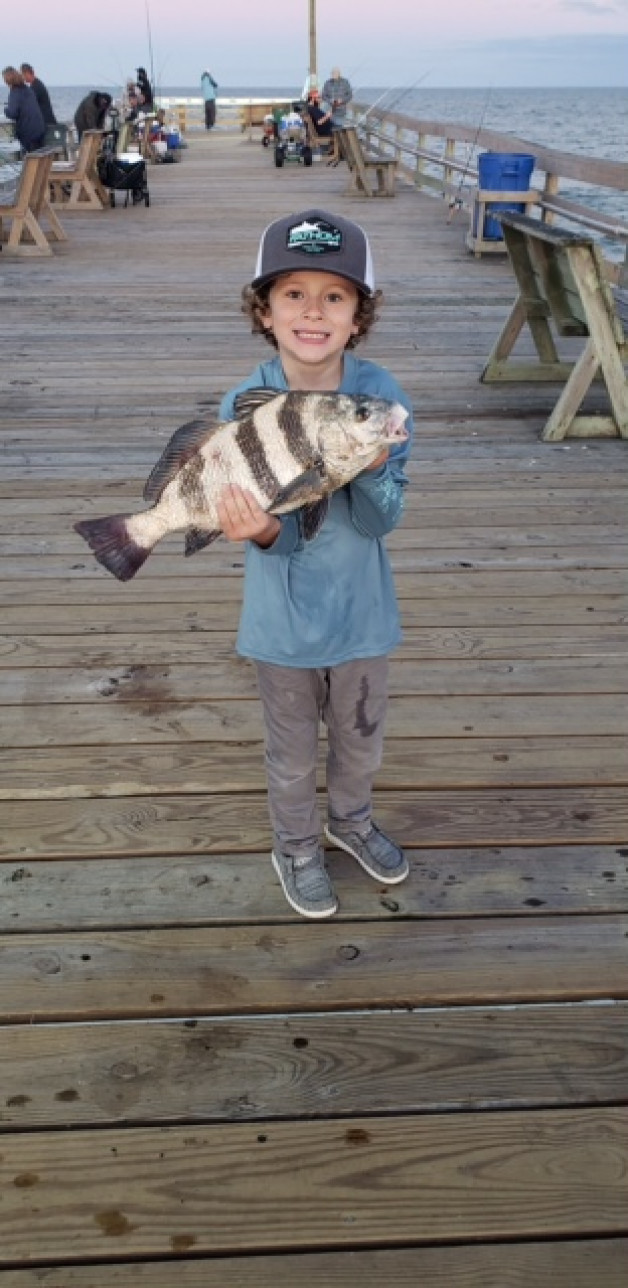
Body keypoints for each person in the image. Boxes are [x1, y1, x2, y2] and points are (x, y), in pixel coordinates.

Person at [217, 209, 413, 919]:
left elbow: (381, 519)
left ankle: (351, 822)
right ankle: (296, 843)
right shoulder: (246, 404)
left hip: (363, 620)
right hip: (283, 627)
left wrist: (363, 460)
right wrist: (264, 529)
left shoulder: (381, 401)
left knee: (360, 744)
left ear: (359, 315)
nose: (312, 311)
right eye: (292, 293)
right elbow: (285, 536)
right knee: (293, 754)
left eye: (334, 296)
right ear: (263, 311)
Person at [2, 66, 45, 152]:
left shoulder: (15, 92)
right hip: (39, 129)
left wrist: (5, 110)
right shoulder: (27, 89)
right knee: (38, 155)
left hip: (28, 132)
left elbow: (13, 113)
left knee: (31, 157)